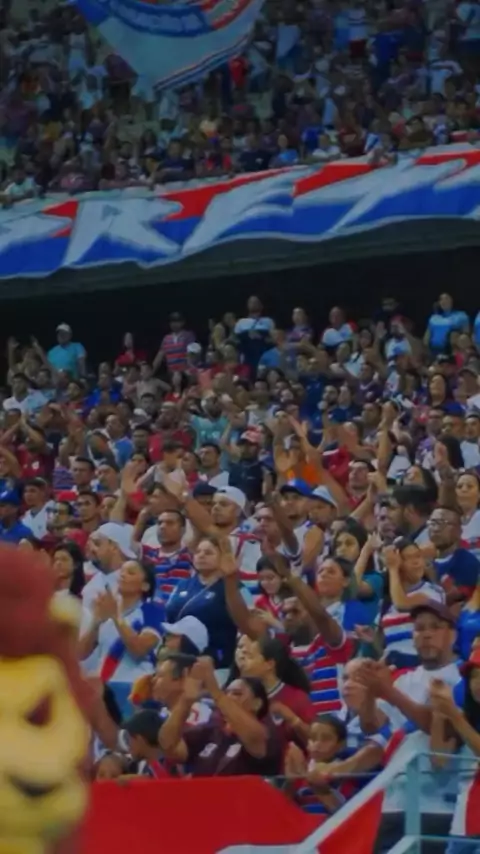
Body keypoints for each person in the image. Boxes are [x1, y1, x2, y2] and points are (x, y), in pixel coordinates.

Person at [159, 657, 283, 777]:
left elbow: (254, 736)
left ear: (257, 704)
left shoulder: (266, 732)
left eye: (237, 693)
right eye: (226, 693)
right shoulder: (210, 731)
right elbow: (168, 746)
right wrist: (186, 701)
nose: (228, 697)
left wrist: (216, 692)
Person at [79, 558, 164, 715]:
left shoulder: (152, 611)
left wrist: (116, 617)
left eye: (131, 573)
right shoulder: (108, 609)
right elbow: (82, 653)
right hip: (104, 686)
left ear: (145, 586)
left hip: (134, 687)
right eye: (122, 571)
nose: (123, 575)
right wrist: (96, 621)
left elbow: (139, 650)